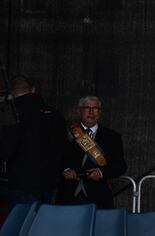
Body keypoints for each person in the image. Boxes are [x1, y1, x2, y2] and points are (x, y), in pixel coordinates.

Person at [0, 75, 66, 208]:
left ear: (12, 93)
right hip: (50, 182)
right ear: (33, 90)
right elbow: (63, 148)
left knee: (21, 226)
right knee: (40, 225)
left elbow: (6, 150)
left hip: (22, 183)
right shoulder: (55, 114)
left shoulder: (13, 114)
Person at [56, 95, 127, 209]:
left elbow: (120, 166)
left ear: (100, 112)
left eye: (95, 108)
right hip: (69, 194)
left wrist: (101, 172)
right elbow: (55, 159)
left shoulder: (112, 137)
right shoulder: (66, 133)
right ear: (79, 111)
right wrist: (66, 169)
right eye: (87, 108)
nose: (91, 112)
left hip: (99, 196)